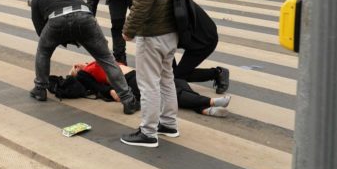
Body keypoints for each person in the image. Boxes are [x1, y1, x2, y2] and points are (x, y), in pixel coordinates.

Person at [117, 0, 185, 148]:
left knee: (148, 83)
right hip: (171, 28)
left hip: (153, 30)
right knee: (166, 78)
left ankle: (148, 132)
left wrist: (129, 30)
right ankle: (168, 123)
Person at [27, 0, 139, 115]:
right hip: (85, 17)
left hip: (58, 19)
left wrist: (60, 38)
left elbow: (40, 31)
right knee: (106, 58)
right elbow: (84, 11)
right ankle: (128, 100)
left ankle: (40, 89)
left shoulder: (36, 1)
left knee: (43, 52)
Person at [68, 61, 231, 117]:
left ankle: (203, 109)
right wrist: (111, 92)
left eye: (76, 65)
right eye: (74, 69)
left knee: (177, 81)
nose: (76, 66)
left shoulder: (96, 59)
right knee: (169, 92)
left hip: (138, 74)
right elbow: (99, 87)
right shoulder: (84, 74)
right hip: (128, 81)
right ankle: (210, 102)